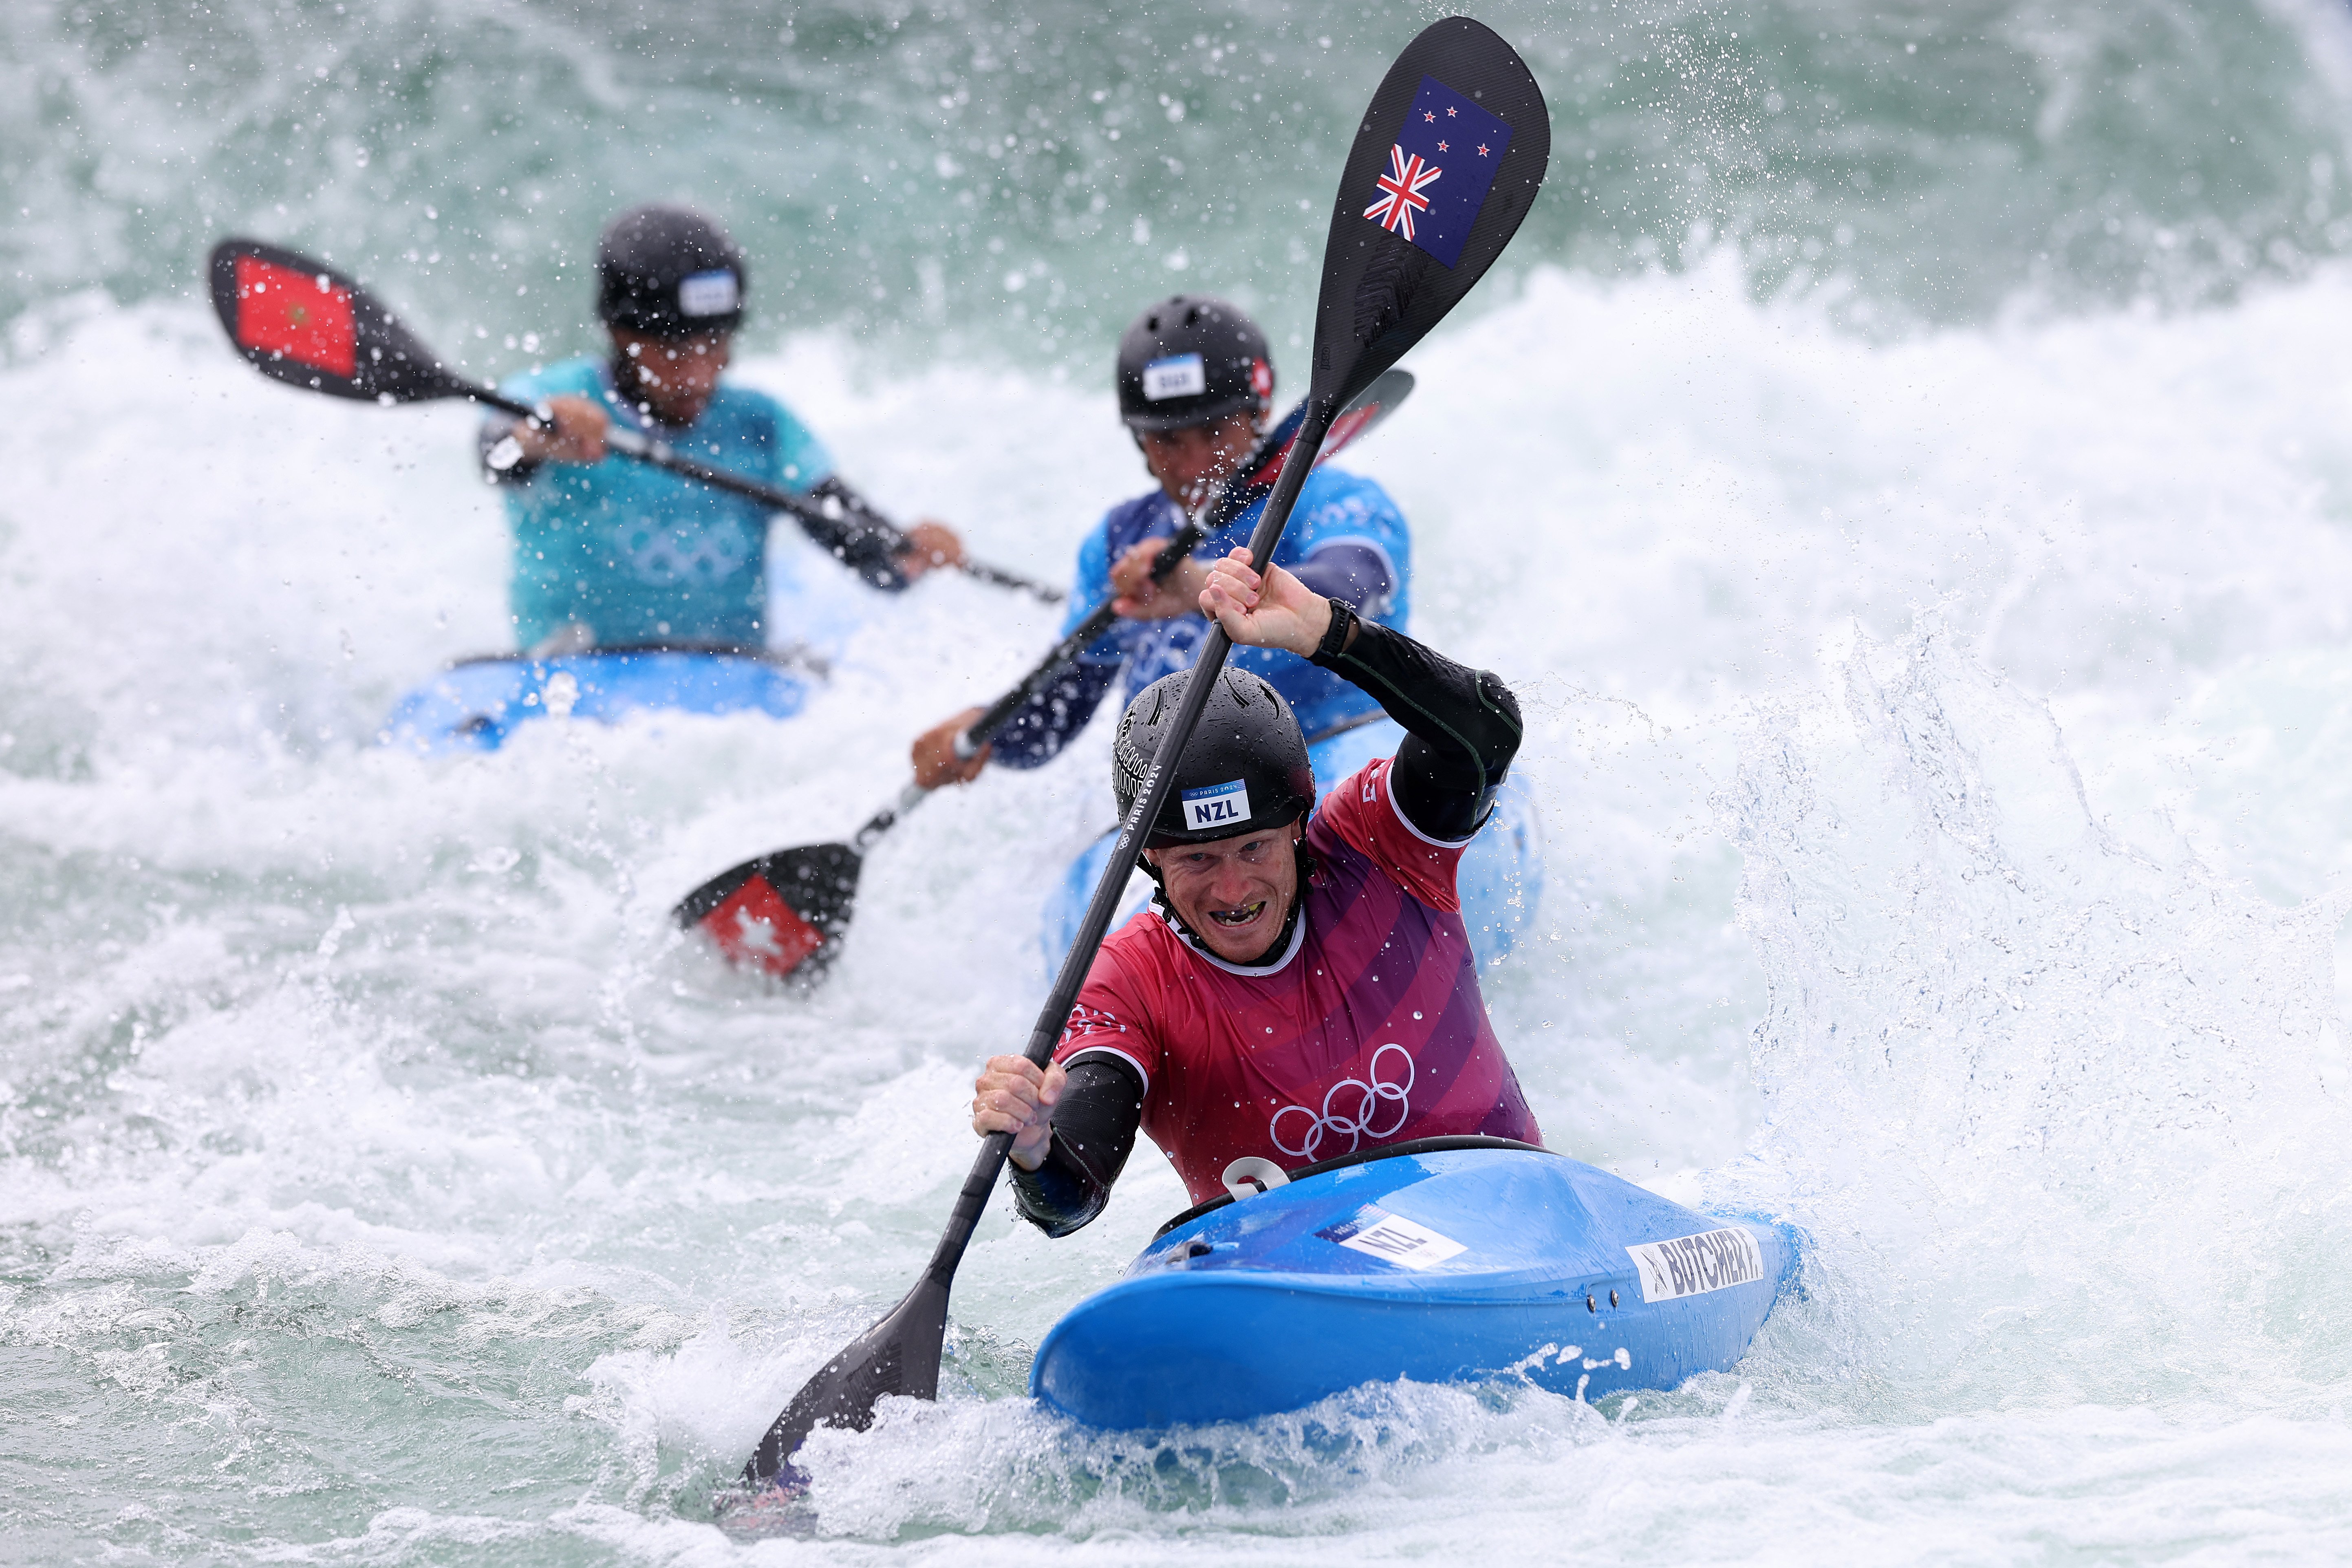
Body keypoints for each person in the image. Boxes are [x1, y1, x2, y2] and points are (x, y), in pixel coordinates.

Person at [968, 547, 1544, 1227]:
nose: (1234, 888)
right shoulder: (1128, 982)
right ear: (1149, 856)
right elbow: (1073, 1200)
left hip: (1504, 1219)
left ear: (1298, 825)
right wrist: (1036, 1150)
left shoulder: (1376, 847)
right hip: (1295, 1283)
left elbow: (1487, 732)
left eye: (1253, 847)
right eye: (1198, 861)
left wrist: (1331, 634)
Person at [908, 293, 1408, 789]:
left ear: (1260, 417)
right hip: (1187, 796)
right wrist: (982, 734)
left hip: (1340, 754)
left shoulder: (1336, 500)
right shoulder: (1117, 540)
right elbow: (1059, 713)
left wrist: (1196, 586)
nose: (1192, 467)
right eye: (1168, 442)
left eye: (1214, 433)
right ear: (1139, 444)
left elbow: (1351, 587)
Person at [479, 203, 965, 655]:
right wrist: (535, 439)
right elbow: (495, 457)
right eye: (675, 350)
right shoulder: (545, 399)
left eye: (716, 346)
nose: (699, 375)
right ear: (619, 333)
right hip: (568, 678)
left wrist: (910, 556)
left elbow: (859, 547)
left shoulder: (762, 425)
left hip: (731, 687)